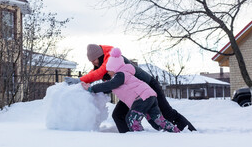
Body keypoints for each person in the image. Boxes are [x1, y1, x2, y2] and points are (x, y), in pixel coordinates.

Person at [65, 44, 196, 133]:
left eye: (94, 60)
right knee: (118, 115)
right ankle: (129, 139)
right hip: (133, 94)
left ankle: (190, 132)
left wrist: (82, 81)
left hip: (147, 87)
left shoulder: (113, 59)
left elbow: (103, 77)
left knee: (167, 113)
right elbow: (108, 82)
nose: (93, 63)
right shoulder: (107, 64)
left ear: (99, 55)